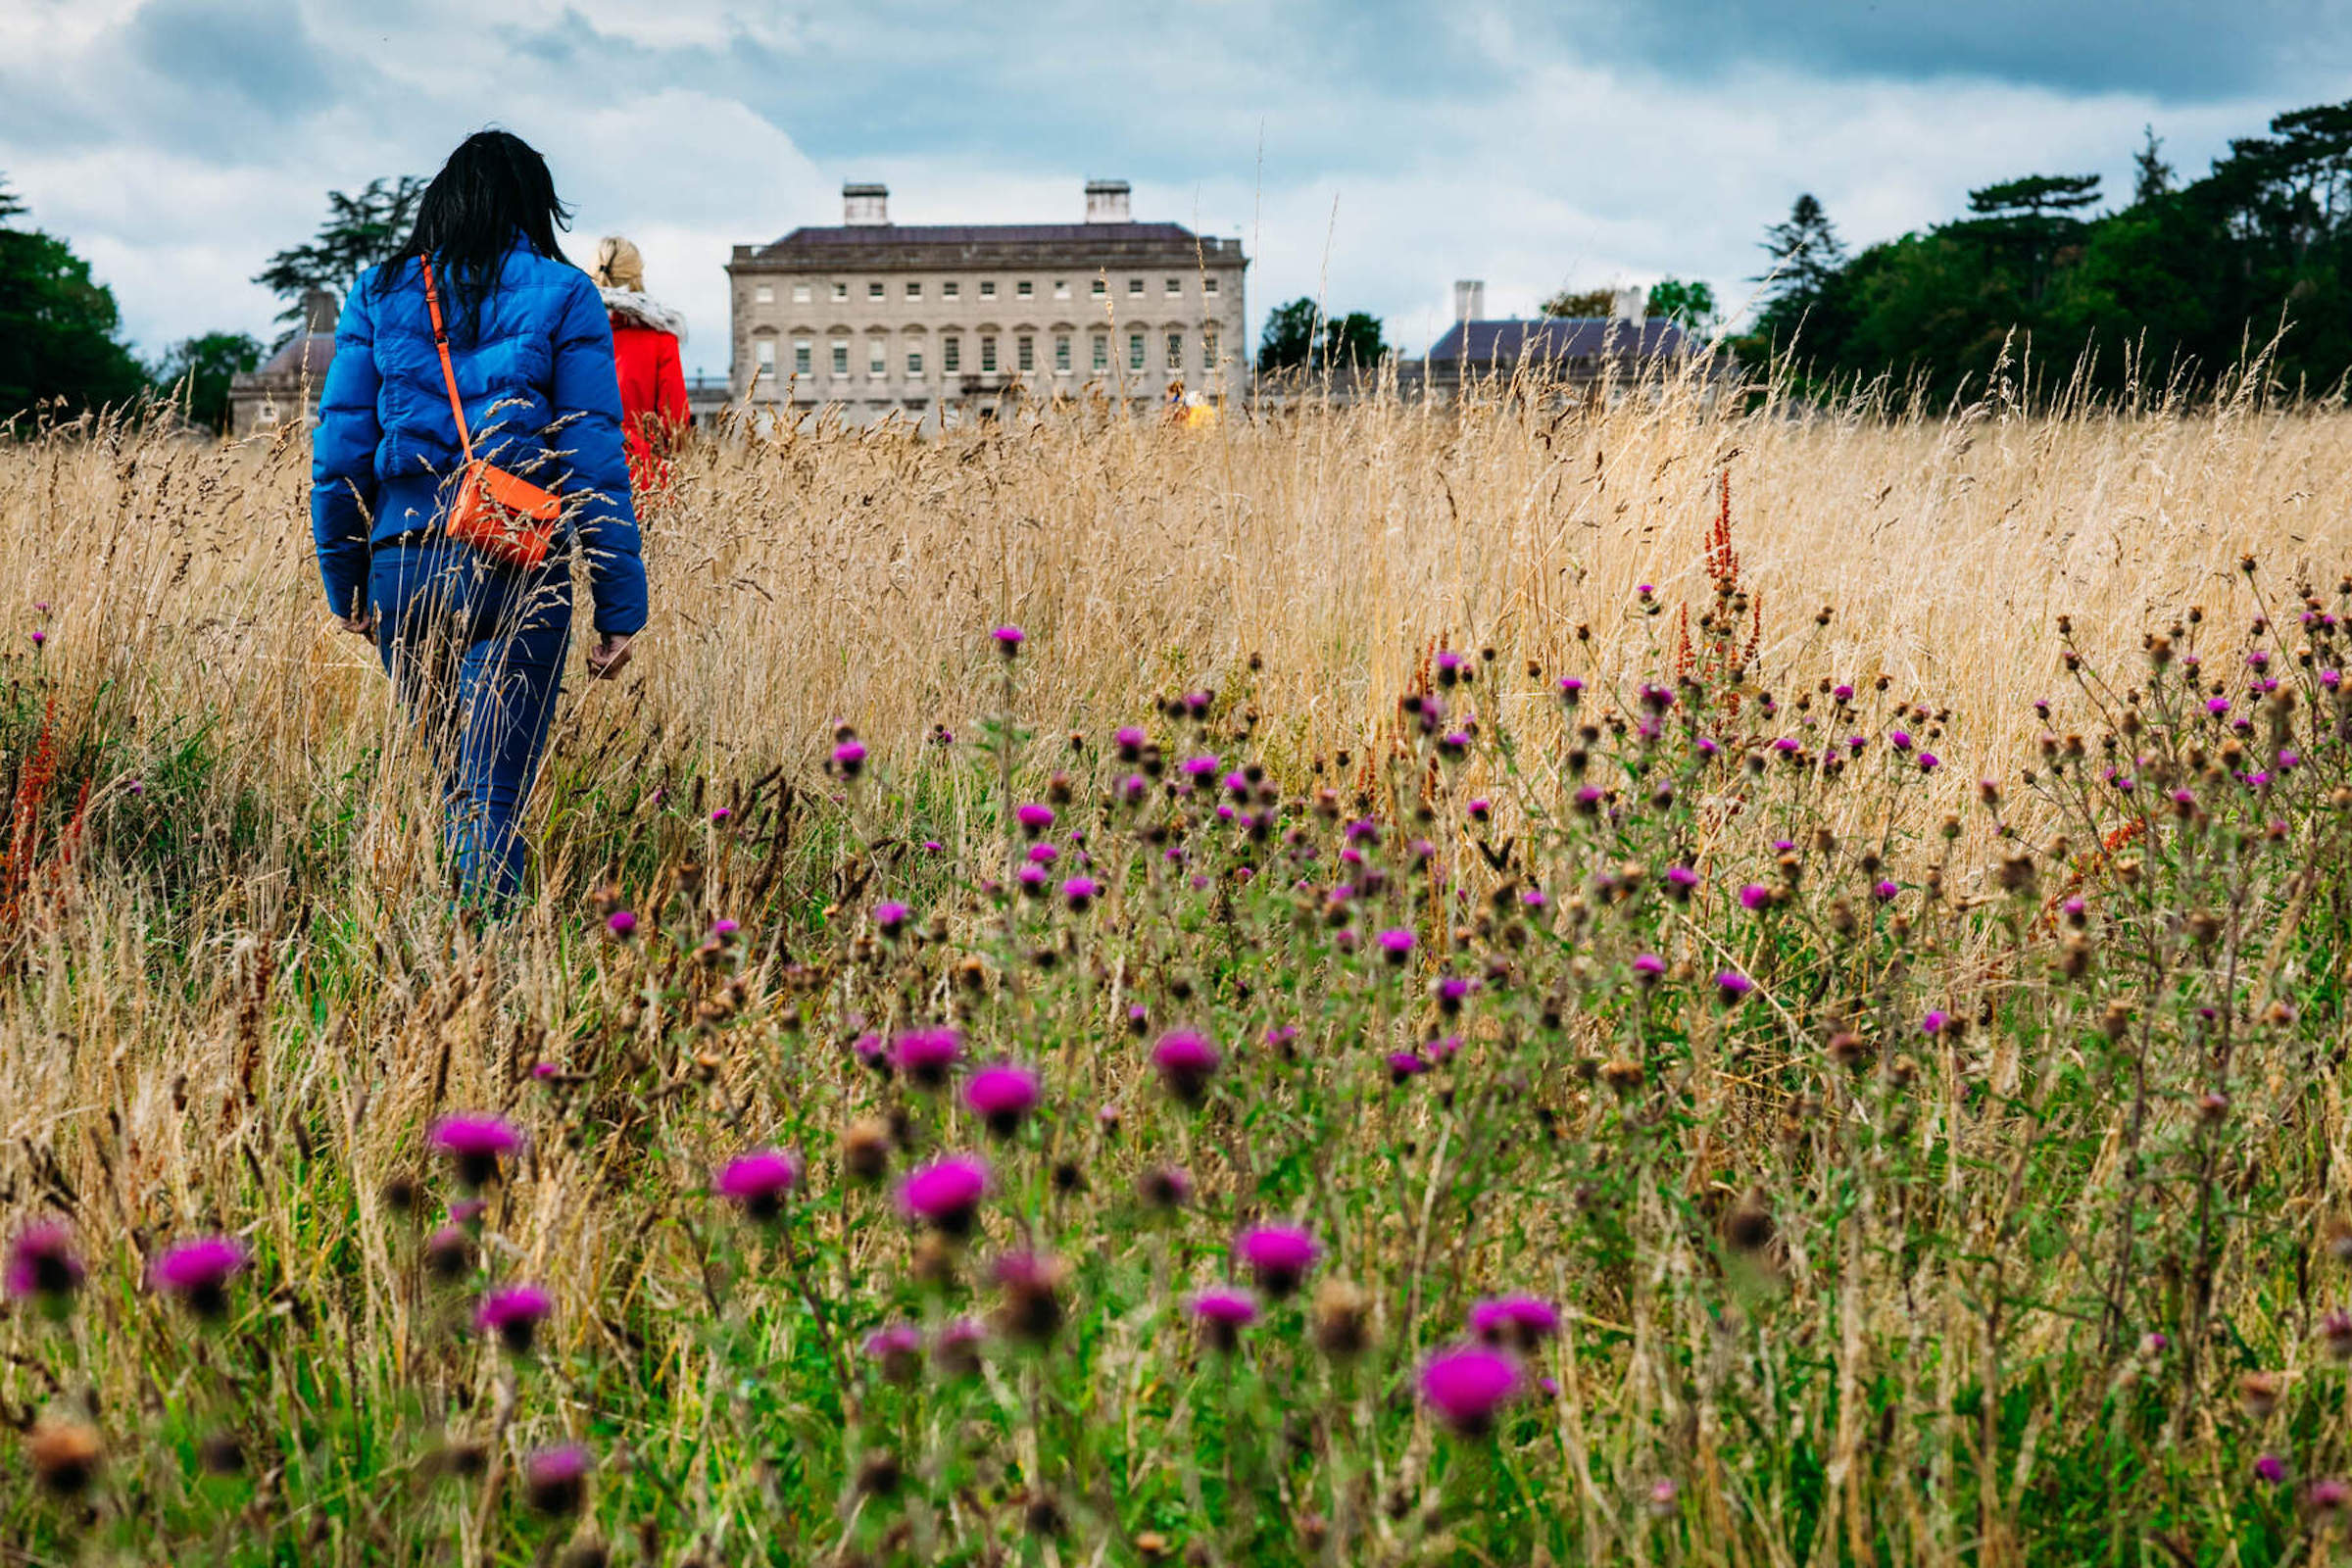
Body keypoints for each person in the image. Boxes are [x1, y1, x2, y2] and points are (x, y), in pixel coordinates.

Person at [311, 129, 648, 903]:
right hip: (518, 564)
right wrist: (619, 604)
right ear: (535, 207)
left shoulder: (379, 291)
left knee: (455, 785)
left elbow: (338, 456)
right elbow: (594, 456)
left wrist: (345, 582)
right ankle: (489, 975)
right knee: (494, 792)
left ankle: (444, 971)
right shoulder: (567, 295)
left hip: (404, 565)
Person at [587, 236, 688, 494]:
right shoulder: (660, 337)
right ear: (636, 275)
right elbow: (675, 422)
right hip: (644, 478)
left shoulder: (572, 328)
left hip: (579, 476)